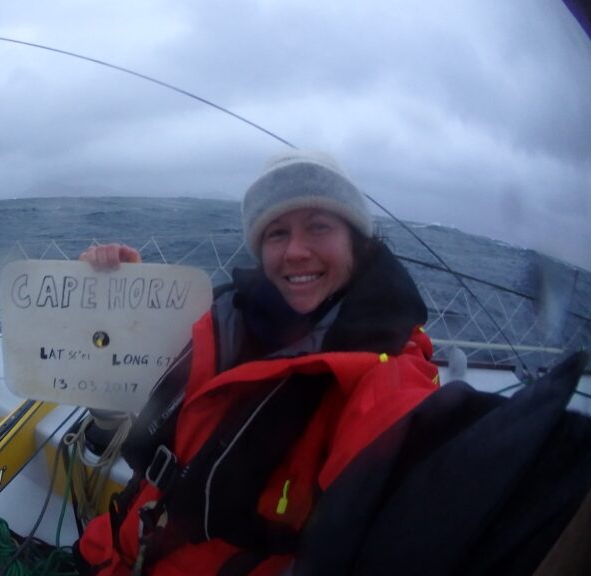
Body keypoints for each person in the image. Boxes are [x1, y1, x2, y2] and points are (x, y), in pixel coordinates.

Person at [75, 150, 441, 575]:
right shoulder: (226, 318)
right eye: (277, 233)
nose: (295, 251)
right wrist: (123, 301)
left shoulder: (387, 374)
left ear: (357, 242)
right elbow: (131, 392)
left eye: (319, 226)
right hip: (111, 551)